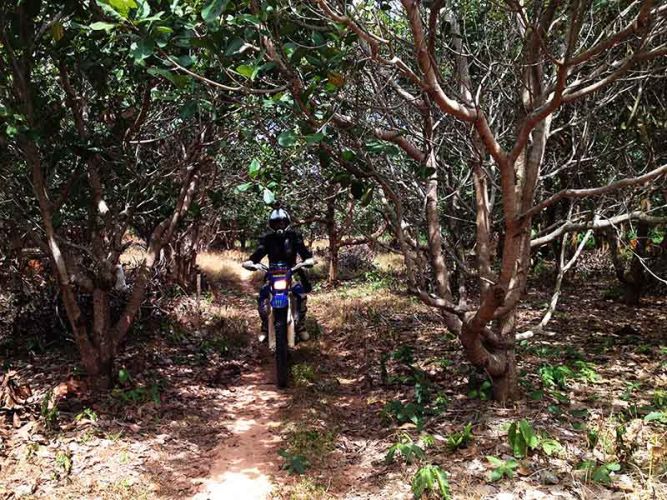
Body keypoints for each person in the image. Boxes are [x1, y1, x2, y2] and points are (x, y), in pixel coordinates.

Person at [242, 208, 314, 342]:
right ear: (271, 224)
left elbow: (303, 252)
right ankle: (265, 326)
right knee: (263, 296)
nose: (279, 226)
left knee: (301, 295)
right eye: (276, 223)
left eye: (281, 223)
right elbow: (259, 252)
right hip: (272, 274)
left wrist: (308, 260)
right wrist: (251, 261)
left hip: (290, 272)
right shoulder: (267, 239)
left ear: (287, 223)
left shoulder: (294, 236)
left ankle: (300, 326)